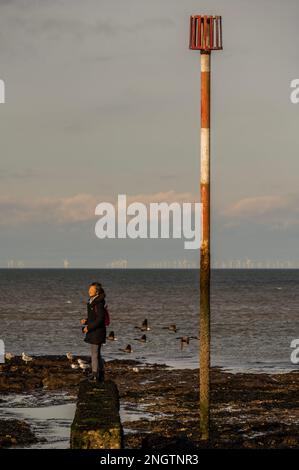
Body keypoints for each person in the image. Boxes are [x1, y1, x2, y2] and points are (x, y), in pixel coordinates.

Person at [80, 282, 106, 383]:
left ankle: (95, 376)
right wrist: (86, 321)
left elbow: (100, 319)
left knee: (94, 354)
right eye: (89, 289)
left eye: (91, 290)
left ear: (97, 291)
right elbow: (94, 317)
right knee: (97, 354)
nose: (89, 291)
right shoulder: (93, 301)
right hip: (95, 331)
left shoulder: (98, 303)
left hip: (97, 332)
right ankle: (101, 374)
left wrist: (88, 327)